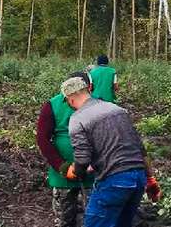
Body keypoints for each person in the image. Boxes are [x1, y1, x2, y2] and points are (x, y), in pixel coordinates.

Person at [62, 77, 162, 227]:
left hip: (114, 182)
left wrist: (75, 171)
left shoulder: (77, 119)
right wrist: (150, 179)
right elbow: (140, 149)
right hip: (137, 179)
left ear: (70, 99)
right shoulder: (117, 109)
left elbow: (82, 158)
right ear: (88, 90)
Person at [36, 71, 94, 227]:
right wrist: (62, 166)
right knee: (65, 219)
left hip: (92, 173)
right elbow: (42, 139)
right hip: (64, 174)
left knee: (95, 217)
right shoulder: (52, 105)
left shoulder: (96, 104)